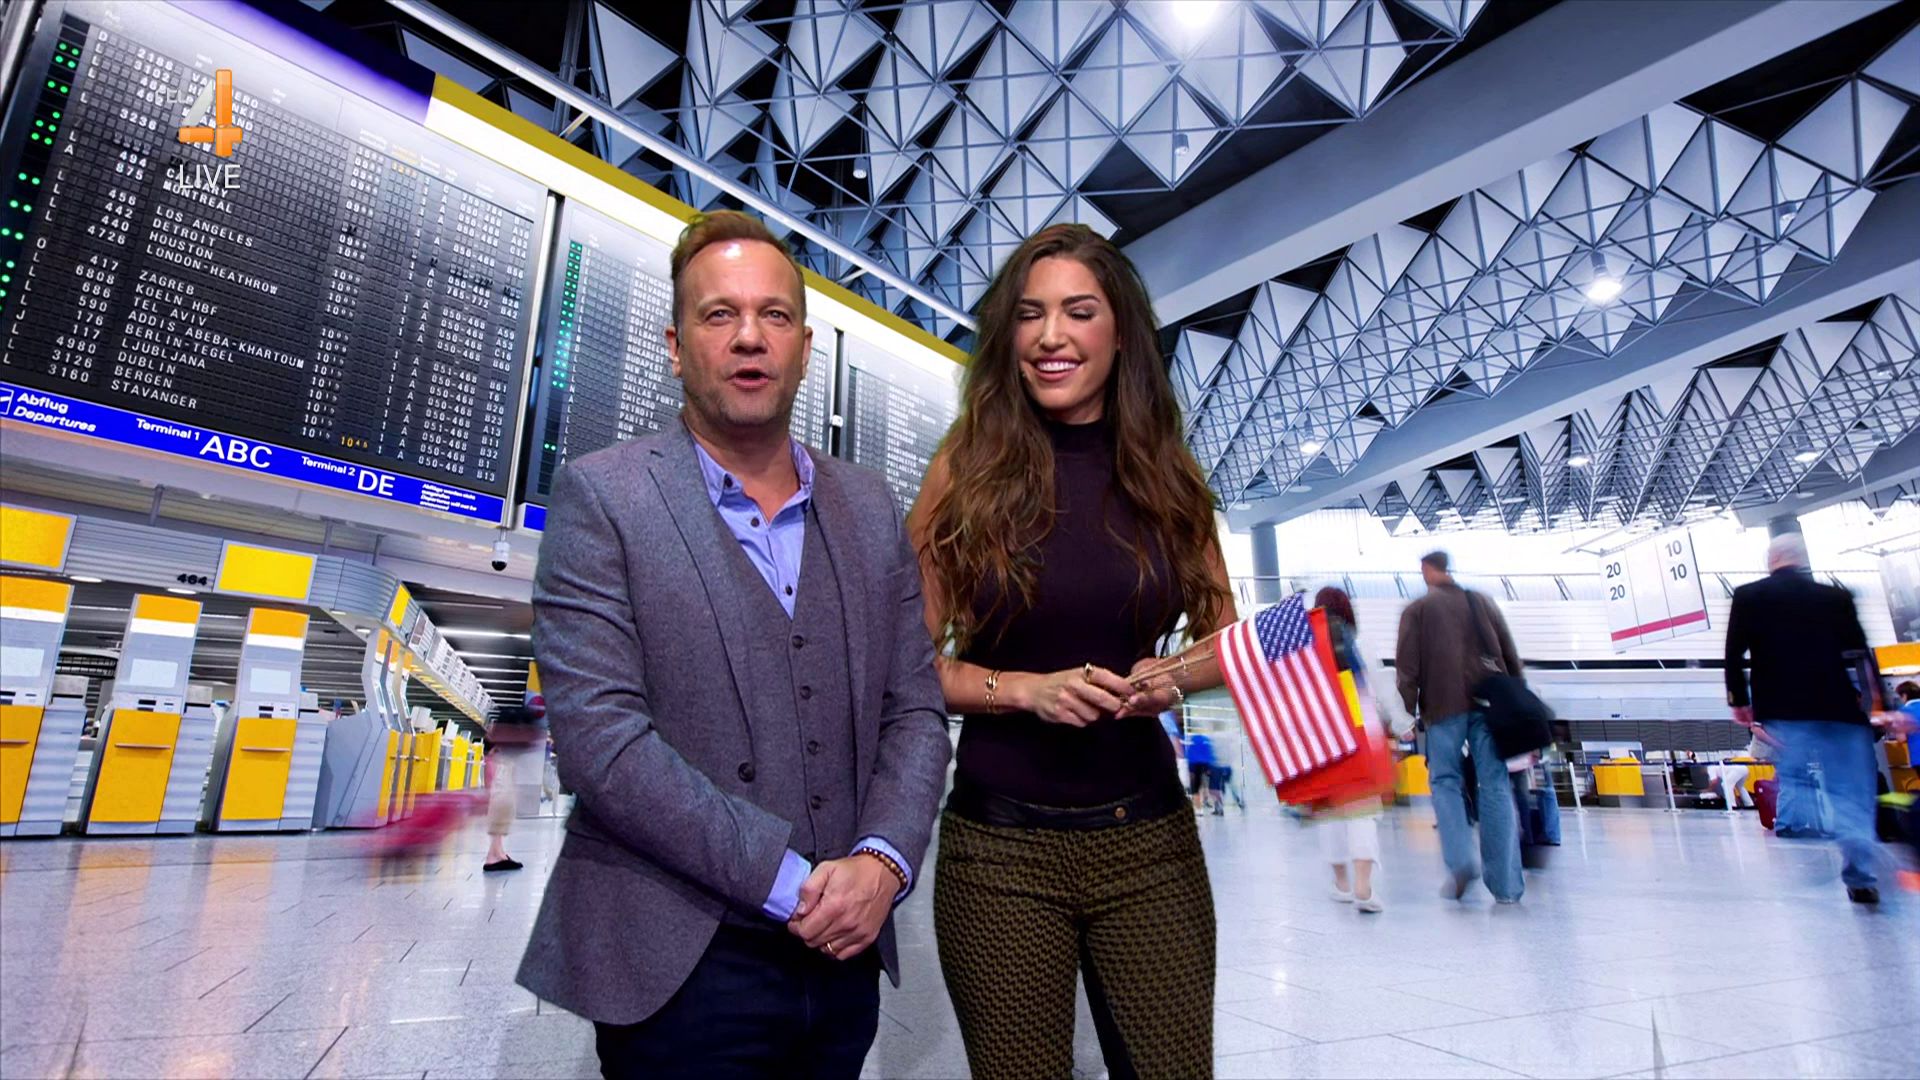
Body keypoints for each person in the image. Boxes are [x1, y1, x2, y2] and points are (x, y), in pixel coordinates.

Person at [518, 210, 953, 1078]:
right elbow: (602, 743)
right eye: (719, 314)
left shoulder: (870, 508)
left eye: (775, 315)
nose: (750, 336)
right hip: (676, 963)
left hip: (843, 962)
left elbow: (915, 709)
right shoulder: (603, 498)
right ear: (676, 347)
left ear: (804, 348)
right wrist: (791, 884)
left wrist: (881, 862)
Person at [909, 223, 1234, 1079]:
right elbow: (905, 665)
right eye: (1030, 315)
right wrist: (1025, 691)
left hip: (1150, 844)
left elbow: (1223, 640)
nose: (1051, 336)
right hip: (999, 852)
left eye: (1078, 312)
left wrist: (1171, 677)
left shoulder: (1168, 475)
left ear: (1120, 333)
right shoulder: (965, 471)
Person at [1725, 532, 1884, 904]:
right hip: (1838, 707)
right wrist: (1880, 702)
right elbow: (1860, 653)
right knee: (1850, 792)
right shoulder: (1836, 596)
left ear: (1771, 560)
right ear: (1803, 560)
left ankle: (1812, 830)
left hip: (1784, 708)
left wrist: (1739, 700)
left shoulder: (1749, 596)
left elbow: (1734, 653)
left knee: (1796, 777)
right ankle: (1859, 871)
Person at [1395, 551, 1525, 904]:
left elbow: (1407, 669)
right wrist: (1517, 697)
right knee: (1495, 784)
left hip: (1443, 707)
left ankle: (1461, 861)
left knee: (1445, 781)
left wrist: (1407, 712)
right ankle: (1506, 886)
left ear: (1427, 570)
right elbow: (1509, 654)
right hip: (1489, 704)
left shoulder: (1418, 610)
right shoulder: (1481, 602)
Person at [1312, 586, 1387, 913]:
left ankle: (1341, 883)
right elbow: (1377, 689)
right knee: (1363, 808)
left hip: (1321, 734)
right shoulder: (1359, 643)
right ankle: (1363, 886)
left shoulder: (1306, 643)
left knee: (1330, 808)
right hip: (1359, 731)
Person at [1187, 728, 1218, 814]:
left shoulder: (1192, 740)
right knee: (1205, 785)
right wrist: (1209, 767)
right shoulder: (1205, 739)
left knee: (1195, 788)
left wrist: (1190, 770)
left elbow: (1190, 754)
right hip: (1205, 765)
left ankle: (1198, 809)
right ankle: (1207, 802)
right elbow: (1209, 752)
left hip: (1195, 765)